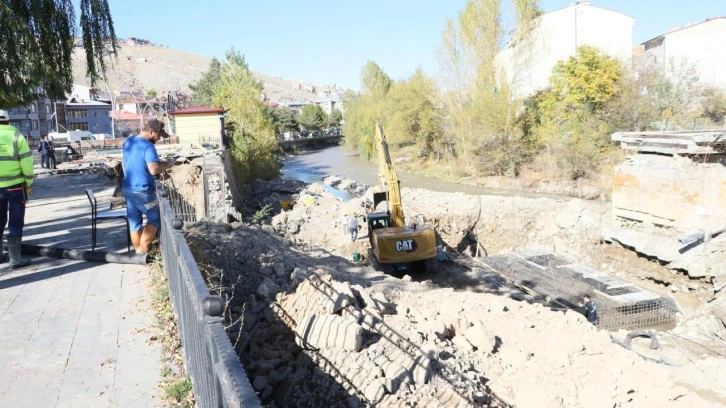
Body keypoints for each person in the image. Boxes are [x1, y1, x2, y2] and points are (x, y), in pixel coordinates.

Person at [121, 119, 174, 254]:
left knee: (134, 221)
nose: (159, 138)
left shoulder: (129, 142)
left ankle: (137, 252)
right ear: (151, 132)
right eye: (159, 135)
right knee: (154, 218)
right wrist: (167, 165)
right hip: (143, 191)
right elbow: (153, 170)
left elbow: (124, 164)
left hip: (128, 188)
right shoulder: (148, 146)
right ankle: (142, 251)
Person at [0, 109, 34, 268]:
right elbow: (27, 164)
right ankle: (15, 259)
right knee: (15, 221)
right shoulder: (16, 137)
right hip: (15, 188)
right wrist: (28, 183)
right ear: (8, 121)